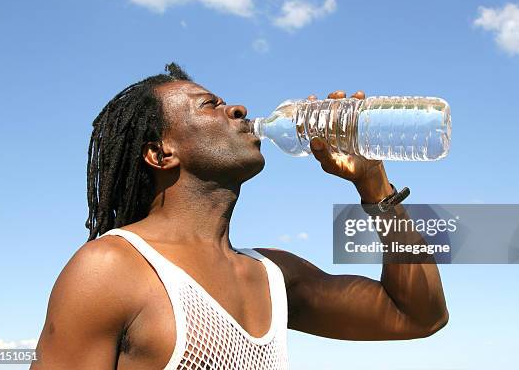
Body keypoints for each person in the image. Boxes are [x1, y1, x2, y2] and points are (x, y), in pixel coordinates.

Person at [31, 63, 448, 369]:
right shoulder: (111, 270)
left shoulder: (274, 275)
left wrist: (374, 185)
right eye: (209, 105)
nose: (238, 109)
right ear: (161, 153)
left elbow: (416, 315)